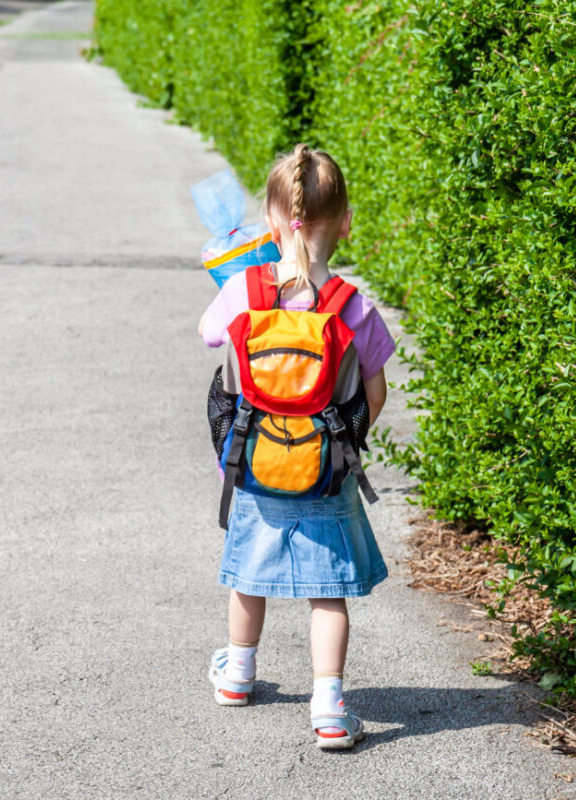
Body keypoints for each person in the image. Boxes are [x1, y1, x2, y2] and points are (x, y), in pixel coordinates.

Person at [197, 144, 396, 750]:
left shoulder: (244, 290)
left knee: (248, 577)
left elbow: (208, 335)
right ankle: (330, 707)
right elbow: (376, 390)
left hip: (253, 465)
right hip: (325, 471)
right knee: (326, 591)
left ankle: (237, 672)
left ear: (270, 217)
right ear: (346, 222)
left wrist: (237, 274)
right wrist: (340, 441)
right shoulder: (353, 307)